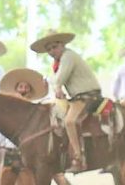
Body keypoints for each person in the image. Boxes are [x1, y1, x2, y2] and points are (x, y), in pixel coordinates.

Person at [30, 30, 102, 172]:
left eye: (54, 47)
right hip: (77, 97)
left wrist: (48, 80)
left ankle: (78, 157)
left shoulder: (68, 57)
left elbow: (59, 78)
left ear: (62, 45)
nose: (51, 51)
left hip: (86, 96)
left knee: (69, 121)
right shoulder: (63, 59)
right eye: (48, 49)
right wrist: (57, 88)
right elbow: (59, 80)